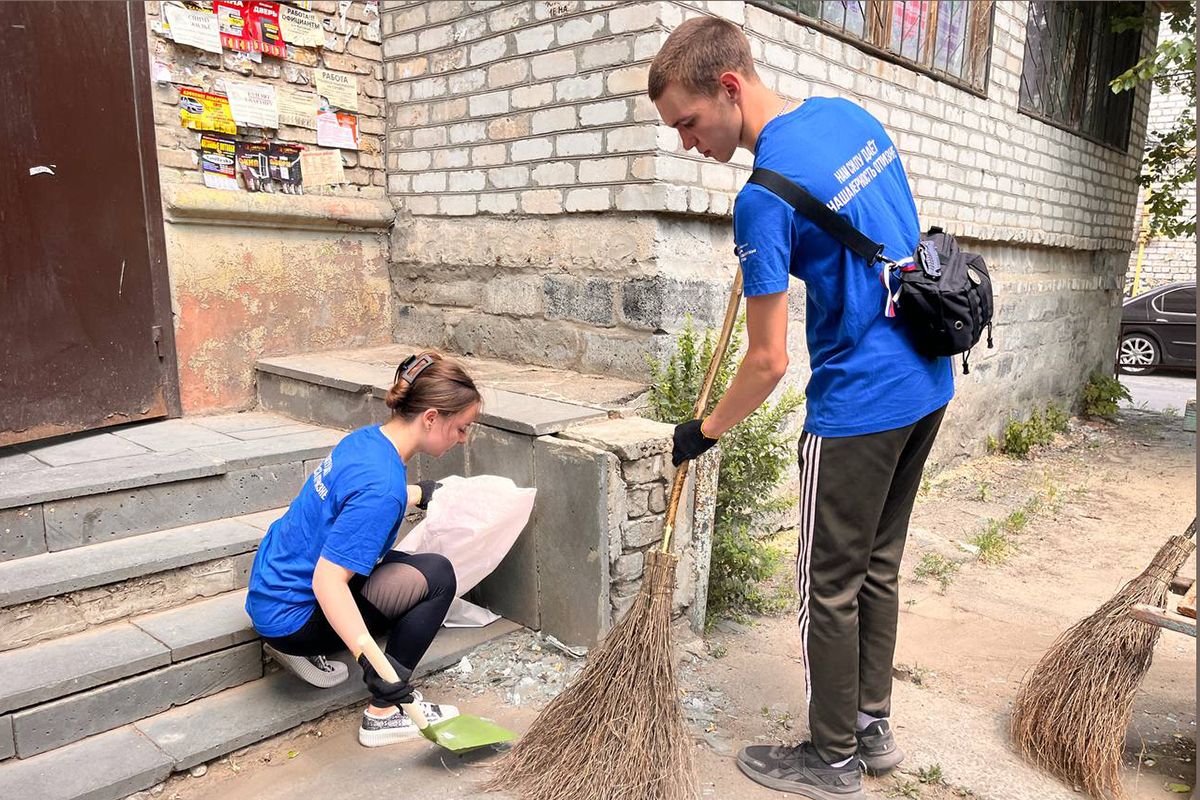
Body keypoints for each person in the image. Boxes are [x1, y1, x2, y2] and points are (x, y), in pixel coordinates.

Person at [650, 17, 954, 800]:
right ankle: (871, 729)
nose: (687, 142)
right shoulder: (848, 118)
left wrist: (705, 430)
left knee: (828, 584)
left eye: (687, 122)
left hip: (859, 405)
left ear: (728, 86)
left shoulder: (762, 199)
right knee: (876, 566)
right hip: (928, 378)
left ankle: (832, 759)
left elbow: (768, 361)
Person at [245, 351, 481, 748]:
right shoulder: (382, 490)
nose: (462, 439)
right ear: (430, 418)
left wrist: (418, 493)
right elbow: (328, 580)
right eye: (460, 428)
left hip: (269, 594)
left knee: (405, 567)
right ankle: (385, 712)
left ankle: (312, 651)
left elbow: (354, 501)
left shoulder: (366, 442)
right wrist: (373, 664)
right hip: (293, 618)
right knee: (437, 576)